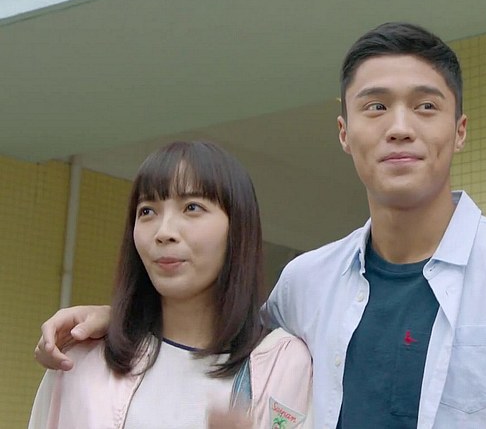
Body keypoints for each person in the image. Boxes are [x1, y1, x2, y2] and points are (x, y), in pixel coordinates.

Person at [34, 23, 486, 428]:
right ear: (345, 133)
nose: (400, 127)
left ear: (460, 130)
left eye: (426, 107)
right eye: (375, 107)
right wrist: (119, 319)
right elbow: (217, 331)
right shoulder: (305, 281)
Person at [29, 141, 312, 428]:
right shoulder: (81, 359)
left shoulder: (281, 364)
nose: (164, 232)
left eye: (192, 207)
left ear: (238, 227)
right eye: (147, 211)